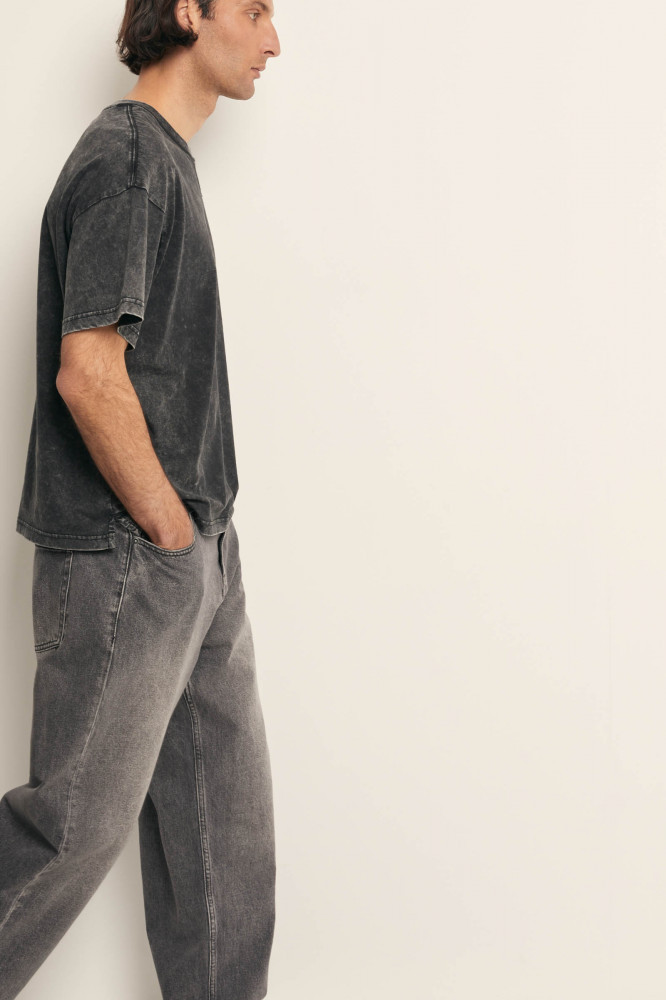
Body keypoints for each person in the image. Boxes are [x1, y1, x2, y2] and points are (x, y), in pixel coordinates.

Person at [0, 0, 281, 997]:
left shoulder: (162, 159)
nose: (274, 40)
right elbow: (88, 371)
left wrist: (198, 543)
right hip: (133, 551)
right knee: (65, 833)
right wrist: (165, 529)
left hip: (199, 549)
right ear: (191, 9)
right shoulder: (126, 158)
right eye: (256, 9)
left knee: (225, 860)